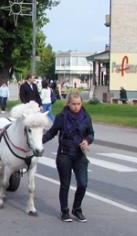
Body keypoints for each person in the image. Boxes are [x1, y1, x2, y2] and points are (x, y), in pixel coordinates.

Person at [42, 92, 94, 223]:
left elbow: (91, 134)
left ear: (81, 103)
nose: (76, 107)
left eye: (78, 104)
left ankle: (77, 209)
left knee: (83, 184)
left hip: (80, 154)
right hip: (65, 154)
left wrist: (87, 141)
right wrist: (39, 142)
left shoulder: (86, 116)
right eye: (73, 104)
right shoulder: (62, 117)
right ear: (68, 103)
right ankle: (65, 211)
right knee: (65, 184)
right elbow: (52, 132)